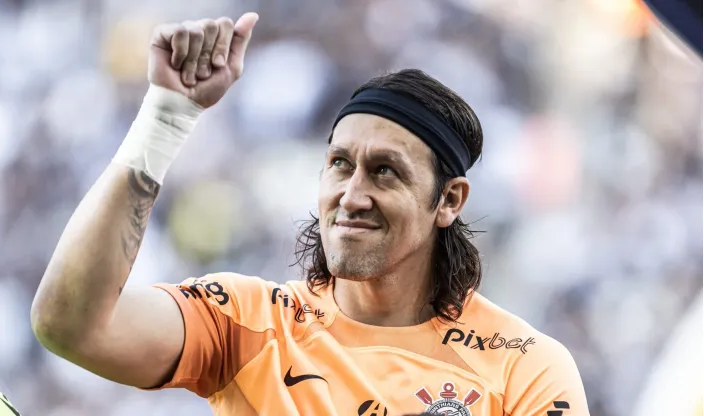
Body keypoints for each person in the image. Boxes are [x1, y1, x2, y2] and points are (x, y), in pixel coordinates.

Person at [31, 13, 590, 416]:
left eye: (385, 171)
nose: (351, 194)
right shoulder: (250, 322)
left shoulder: (525, 367)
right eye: (339, 165)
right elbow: (71, 326)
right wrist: (166, 119)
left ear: (449, 201)